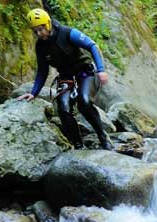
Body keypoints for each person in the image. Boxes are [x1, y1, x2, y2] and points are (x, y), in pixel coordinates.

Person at [17, 8, 113, 150]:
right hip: (66, 77)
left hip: (85, 72)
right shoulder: (40, 47)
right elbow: (43, 71)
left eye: (41, 29)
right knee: (63, 108)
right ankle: (78, 146)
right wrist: (33, 92)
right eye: (35, 31)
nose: (39, 34)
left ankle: (103, 137)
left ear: (48, 24)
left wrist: (101, 70)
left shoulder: (67, 33)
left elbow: (92, 46)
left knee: (84, 102)